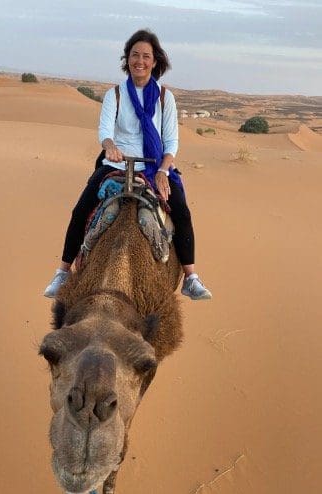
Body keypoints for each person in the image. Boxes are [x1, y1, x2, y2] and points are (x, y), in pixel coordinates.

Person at [44, 29, 212, 300]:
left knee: (181, 211)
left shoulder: (165, 98)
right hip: (117, 165)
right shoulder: (116, 94)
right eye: (135, 55)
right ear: (127, 59)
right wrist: (110, 146)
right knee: (81, 209)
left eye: (146, 56)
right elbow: (105, 130)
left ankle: (190, 277)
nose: (140, 61)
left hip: (155, 167)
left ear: (155, 61)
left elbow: (171, 141)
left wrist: (163, 170)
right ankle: (63, 272)